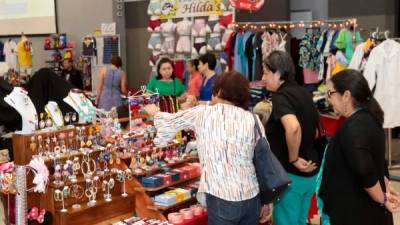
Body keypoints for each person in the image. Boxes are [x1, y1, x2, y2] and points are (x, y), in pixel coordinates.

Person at [144, 71, 271, 225]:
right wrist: (267, 200)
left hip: (221, 196)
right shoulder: (253, 119)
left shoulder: (203, 114)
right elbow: (263, 160)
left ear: (218, 91)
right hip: (251, 196)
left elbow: (169, 123)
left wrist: (155, 112)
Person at [318, 69, 400, 225]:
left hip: (355, 213)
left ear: (347, 96)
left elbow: (365, 171)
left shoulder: (353, 128)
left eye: (331, 93)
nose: (328, 100)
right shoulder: (370, 118)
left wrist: (383, 199)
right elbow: (375, 161)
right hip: (365, 209)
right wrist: (386, 187)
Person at [262, 51, 319, 225]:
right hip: (309, 173)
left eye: (265, 72)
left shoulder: (281, 96)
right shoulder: (303, 92)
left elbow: (293, 127)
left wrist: (293, 158)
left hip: (291, 176)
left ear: (277, 74)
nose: (262, 77)